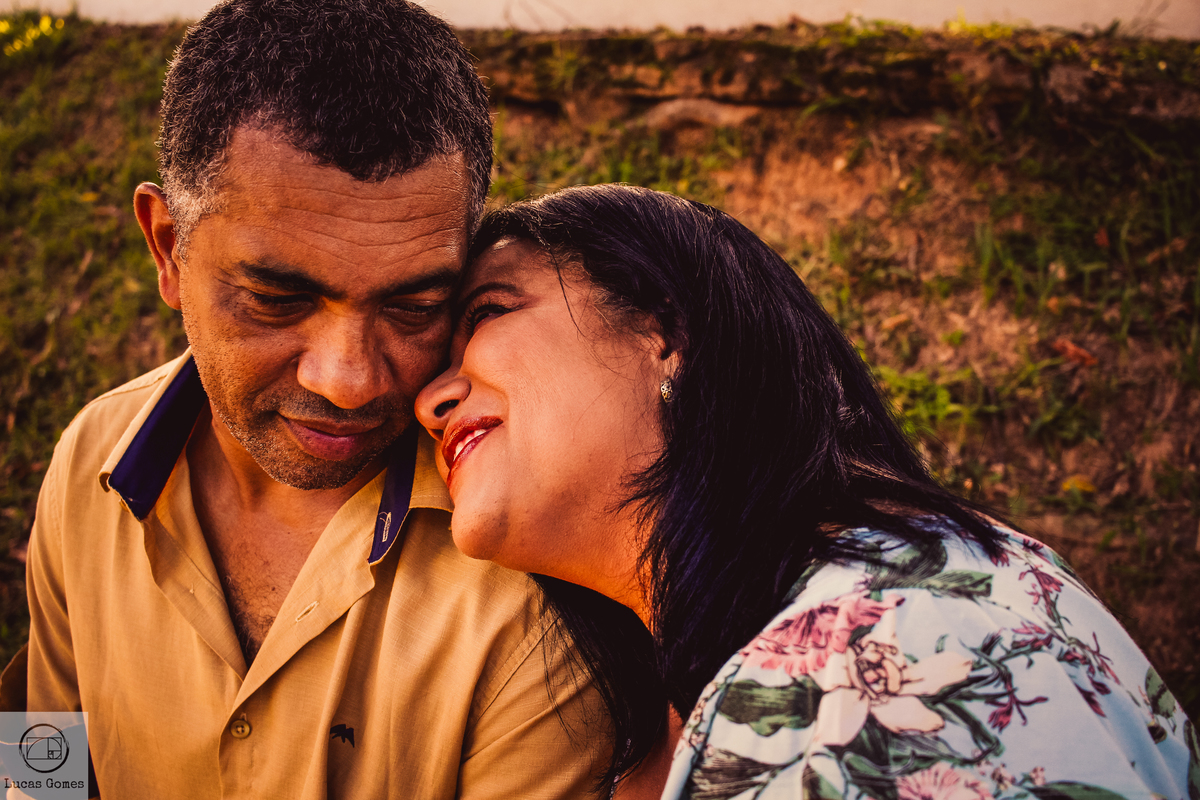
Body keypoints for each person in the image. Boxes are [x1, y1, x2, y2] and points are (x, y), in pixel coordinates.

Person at [6, 2, 612, 798]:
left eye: (413, 307)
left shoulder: (534, 574)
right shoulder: (90, 462)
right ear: (167, 249)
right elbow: (41, 764)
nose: (348, 380)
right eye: (275, 298)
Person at [415, 184, 1199, 798]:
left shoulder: (899, 649)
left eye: (488, 313)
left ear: (664, 327)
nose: (430, 400)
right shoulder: (806, 638)